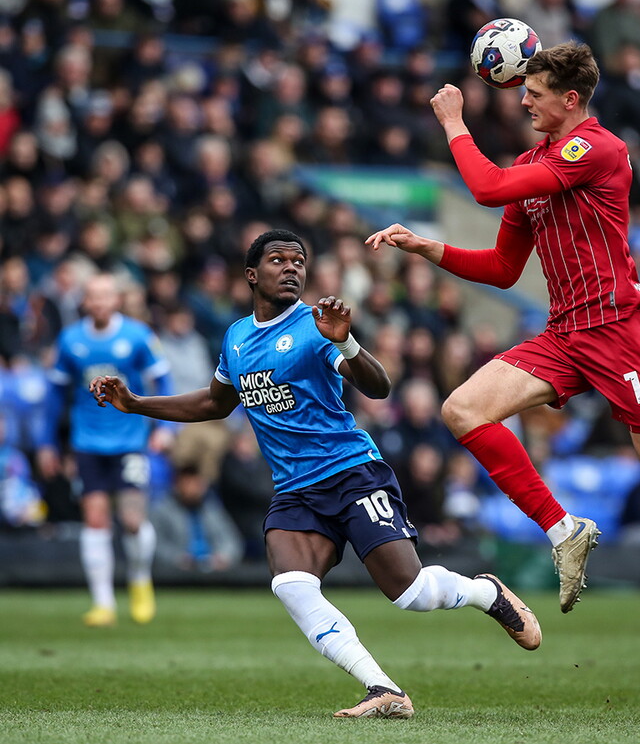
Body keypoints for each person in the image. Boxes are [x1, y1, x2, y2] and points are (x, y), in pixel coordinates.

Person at [366, 42, 640, 701]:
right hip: (567, 333)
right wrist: (431, 248)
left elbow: (483, 189)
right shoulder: (532, 161)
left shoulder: (595, 149)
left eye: (534, 93)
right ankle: (565, 528)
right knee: (462, 408)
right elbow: (505, 268)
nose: (523, 100)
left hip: (621, 333)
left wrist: (455, 123)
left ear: (571, 99)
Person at [89, 229, 541, 719]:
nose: (291, 268)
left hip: (351, 474)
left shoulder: (314, 326)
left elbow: (380, 386)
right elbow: (215, 403)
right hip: (295, 491)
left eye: (299, 261)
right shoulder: (237, 337)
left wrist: (345, 343)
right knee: (290, 585)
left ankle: (484, 591)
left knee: (410, 592)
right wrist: (136, 404)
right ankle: (382, 688)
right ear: (251, 275)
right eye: (278, 260)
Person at [40, 272, 174, 627]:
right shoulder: (70, 340)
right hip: (87, 441)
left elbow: (163, 379)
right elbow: (56, 394)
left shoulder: (137, 336)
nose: (99, 303)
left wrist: (165, 427)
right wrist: (47, 442)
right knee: (95, 519)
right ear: (85, 301)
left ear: (116, 300)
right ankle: (103, 603)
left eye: (105, 296)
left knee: (132, 520)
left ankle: (140, 579)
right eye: (93, 297)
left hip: (130, 441)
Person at [151, 462, 244, 573]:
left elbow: (232, 541)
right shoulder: (161, 511)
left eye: (197, 484)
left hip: (213, 573)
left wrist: (223, 557)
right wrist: (177, 559)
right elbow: (155, 546)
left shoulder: (213, 509)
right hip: (176, 575)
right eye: (188, 484)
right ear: (177, 485)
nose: (193, 490)